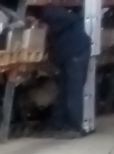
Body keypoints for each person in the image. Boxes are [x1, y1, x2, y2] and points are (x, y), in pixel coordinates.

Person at [40, 2, 93, 133]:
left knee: (73, 90)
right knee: (66, 89)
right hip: (78, 51)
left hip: (75, 54)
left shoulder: (53, 25)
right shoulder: (65, 20)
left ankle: (73, 126)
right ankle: (58, 122)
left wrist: (52, 60)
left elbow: (56, 46)